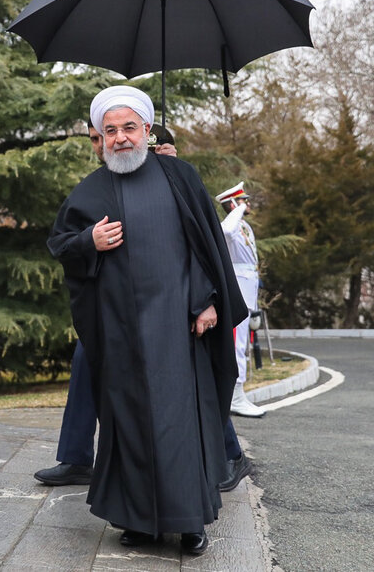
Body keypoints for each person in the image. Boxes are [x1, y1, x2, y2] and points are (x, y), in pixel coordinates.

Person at [48, 86, 247, 555]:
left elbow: (204, 246)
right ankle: (137, 521)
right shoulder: (91, 190)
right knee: (130, 426)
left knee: (181, 426)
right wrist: (88, 242)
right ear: (100, 136)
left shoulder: (180, 176)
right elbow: (61, 244)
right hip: (119, 334)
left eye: (129, 128)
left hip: (178, 330)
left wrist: (205, 299)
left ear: (147, 130)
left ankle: (190, 521)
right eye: (110, 130)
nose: (120, 138)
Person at [215, 182, 266, 418]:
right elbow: (225, 231)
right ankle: (235, 397)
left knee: (242, 345)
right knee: (237, 346)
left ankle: (238, 394)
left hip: (248, 290)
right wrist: (236, 208)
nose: (249, 204)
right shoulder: (232, 227)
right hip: (238, 292)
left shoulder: (243, 226)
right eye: (244, 200)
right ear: (234, 204)